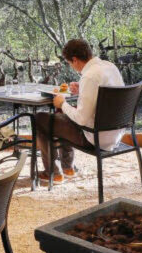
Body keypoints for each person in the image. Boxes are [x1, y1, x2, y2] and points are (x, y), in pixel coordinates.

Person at [34, 38, 125, 185]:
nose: (71, 66)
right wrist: (82, 89)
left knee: (40, 119)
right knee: (61, 117)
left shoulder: (89, 76)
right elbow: (103, 96)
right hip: (115, 135)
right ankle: (67, 167)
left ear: (75, 60)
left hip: (95, 138)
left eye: (70, 63)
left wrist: (62, 103)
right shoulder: (109, 67)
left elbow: (82, 119)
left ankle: (53, 172)